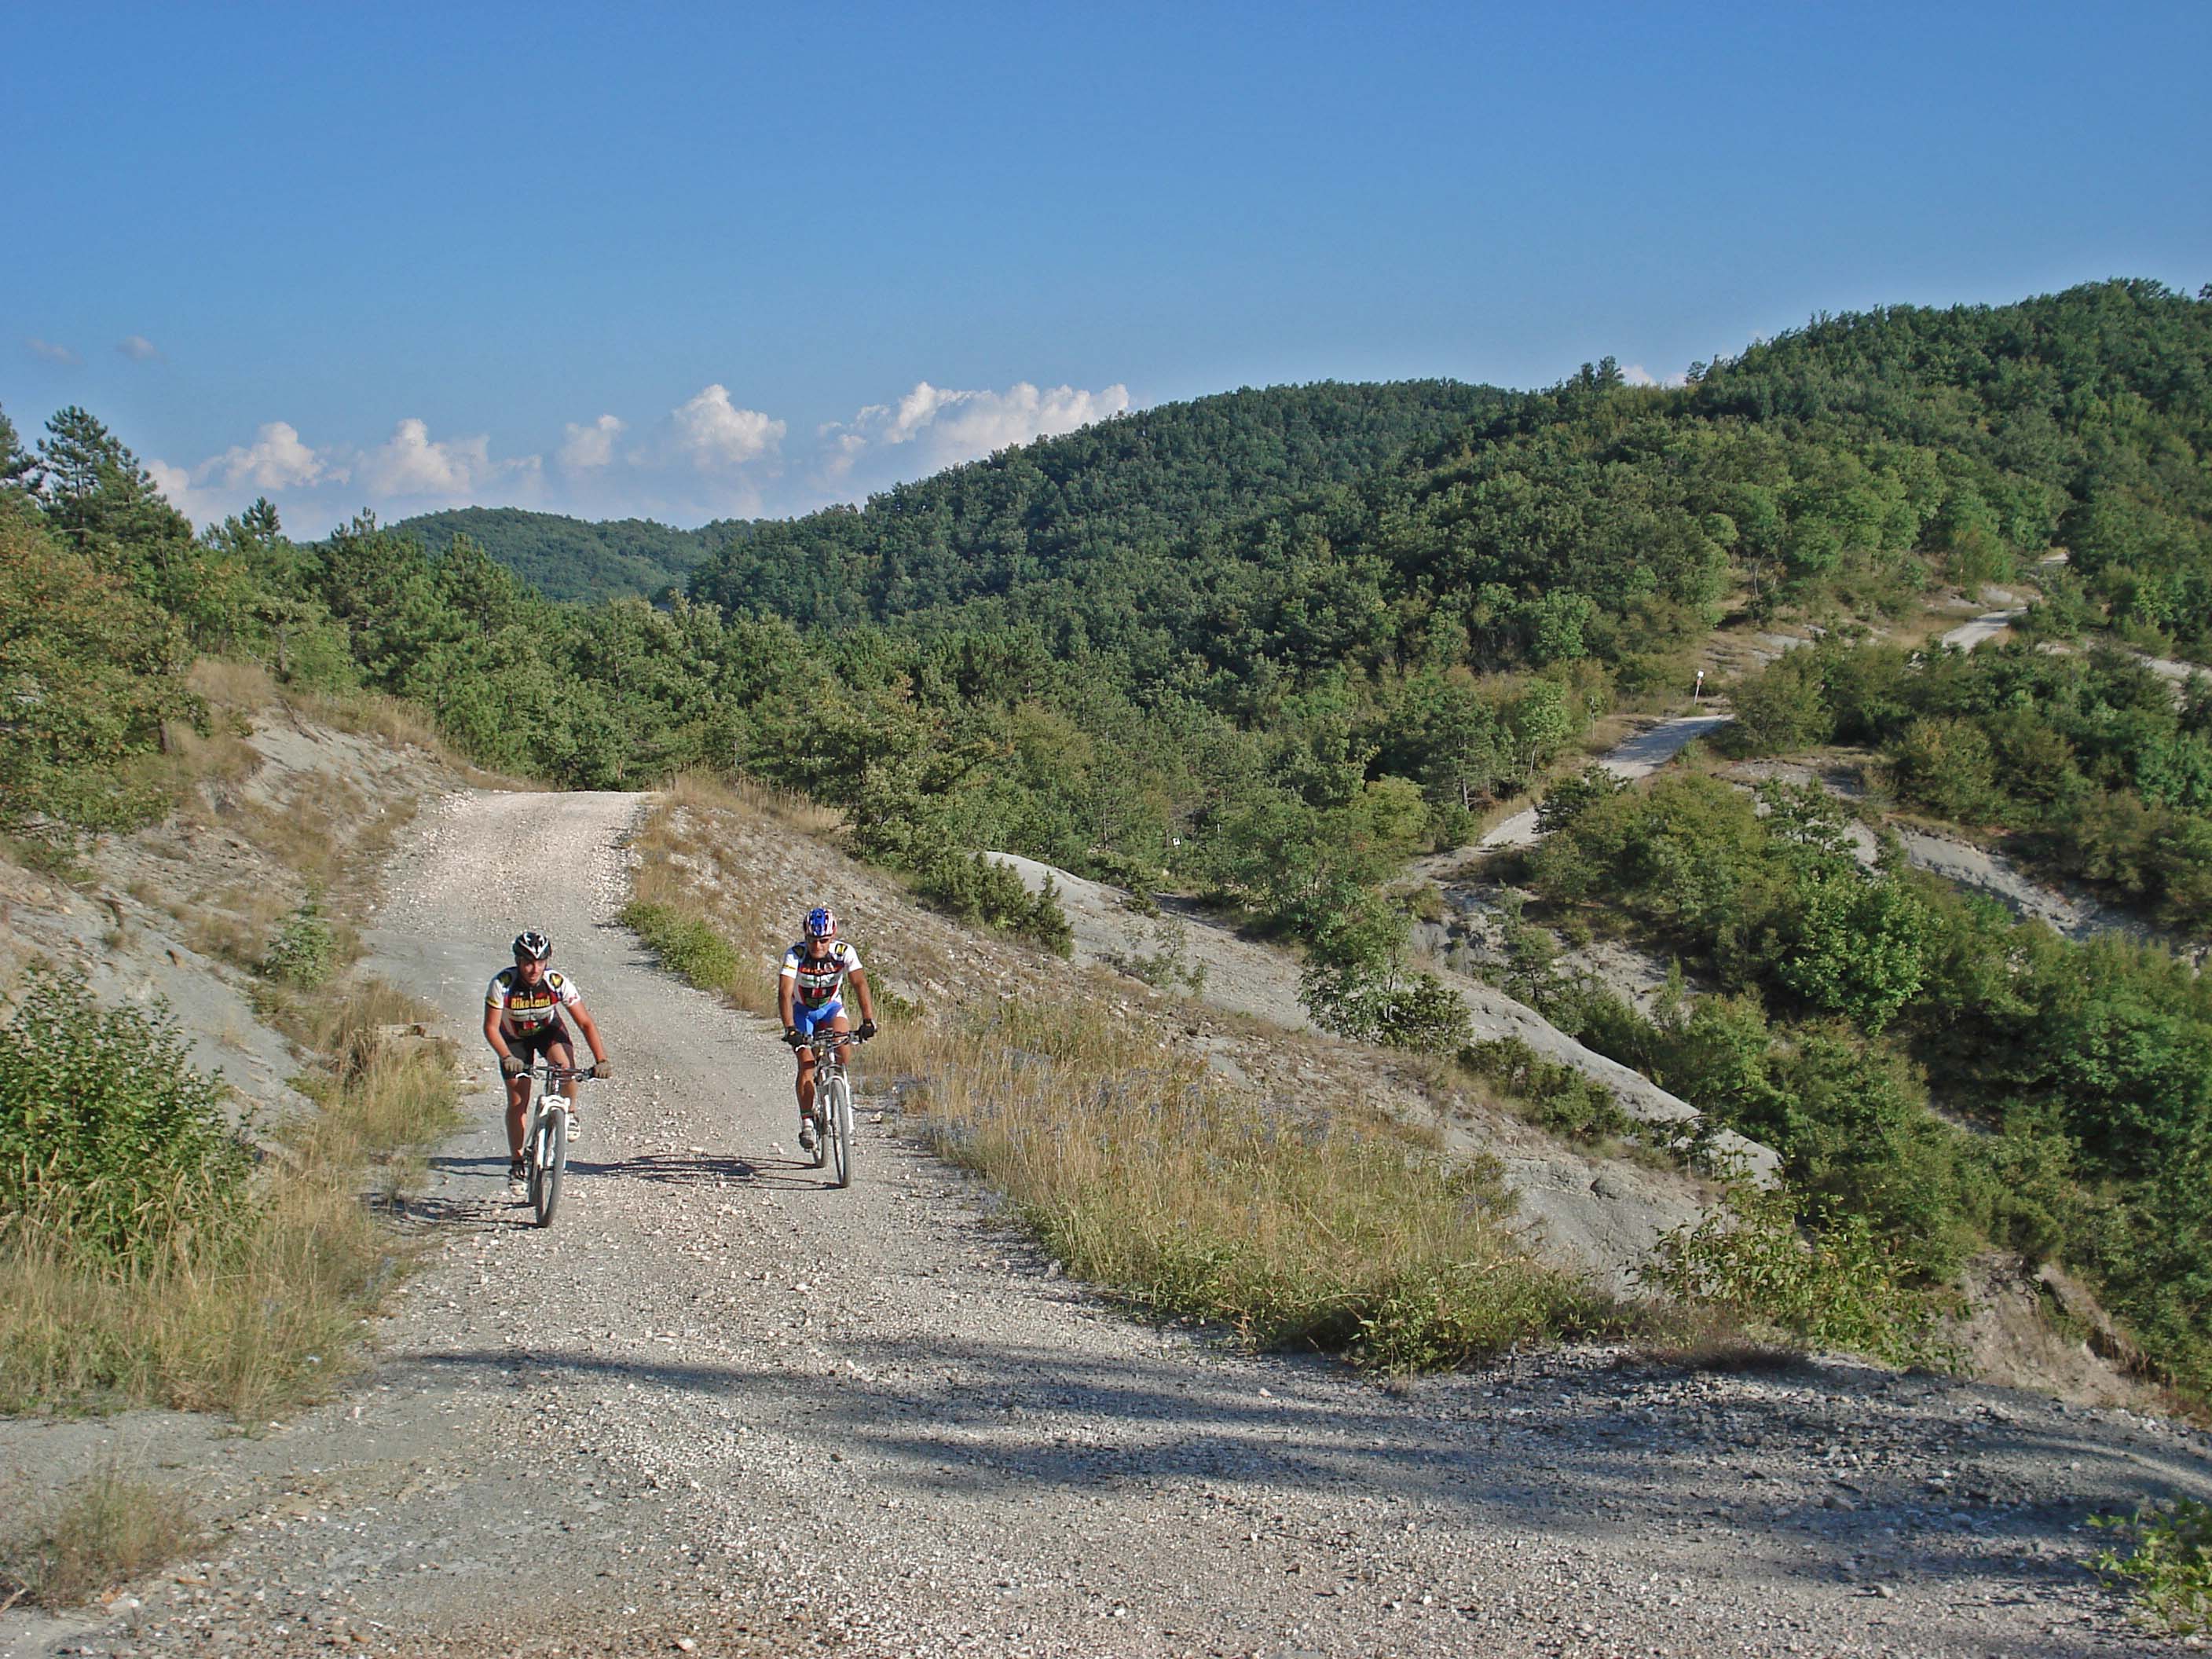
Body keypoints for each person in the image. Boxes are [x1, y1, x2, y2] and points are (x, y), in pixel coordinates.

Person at [484, 929, 610, 1189]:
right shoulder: (503, 983)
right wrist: (506, 1056)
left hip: (547, 1032)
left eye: (540, 962)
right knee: (518, 1101)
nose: (534, 969)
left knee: (566, 1069)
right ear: (518, 961)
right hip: (514, 1039)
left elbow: (585, 1023)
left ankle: (570, 1113)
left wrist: (601, 1059)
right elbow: (491, 1027)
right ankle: (517, 1164)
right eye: (528, 963)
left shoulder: (556, 981)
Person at [778, 906, 877, 1152]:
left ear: (832, 936)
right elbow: (784, 992)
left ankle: (838, 1099)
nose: (818, 946)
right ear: (805, 936)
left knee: (843, 1053)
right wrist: (790, 1028)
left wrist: (868, 1020)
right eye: (812, 940)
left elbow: (859, 982)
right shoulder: (795, 954)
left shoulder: (844, 952)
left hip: (831, 1008)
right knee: (807, 1064)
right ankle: (807, 1122)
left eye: (823, 940)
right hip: (802, 1012)